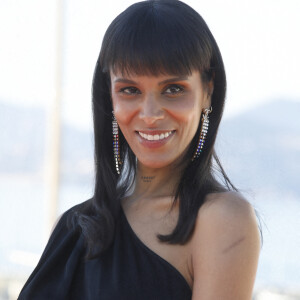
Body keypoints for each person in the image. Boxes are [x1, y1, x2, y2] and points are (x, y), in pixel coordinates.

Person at [18, 0, 261, 299]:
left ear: (207, 91)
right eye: (130, 90)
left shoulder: (222, 220)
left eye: (173, 89)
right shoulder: (74, 227)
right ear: (110, 97)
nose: (150, 114)